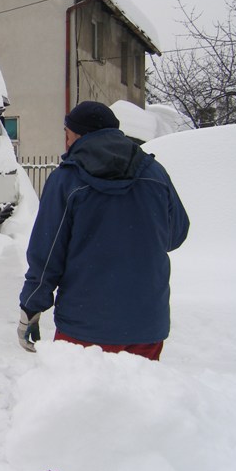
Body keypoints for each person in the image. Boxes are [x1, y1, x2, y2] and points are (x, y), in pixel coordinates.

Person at [18, 101, 190, 360]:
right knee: (138, 399)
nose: (65, 142)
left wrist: (31, 308)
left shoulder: (67, 179)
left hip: (84, 328)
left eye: (66, 134)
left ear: (76, 134)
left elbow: (48, 253)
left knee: (80, 399)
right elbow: (176, 233)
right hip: (146, 326)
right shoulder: (154, 173)